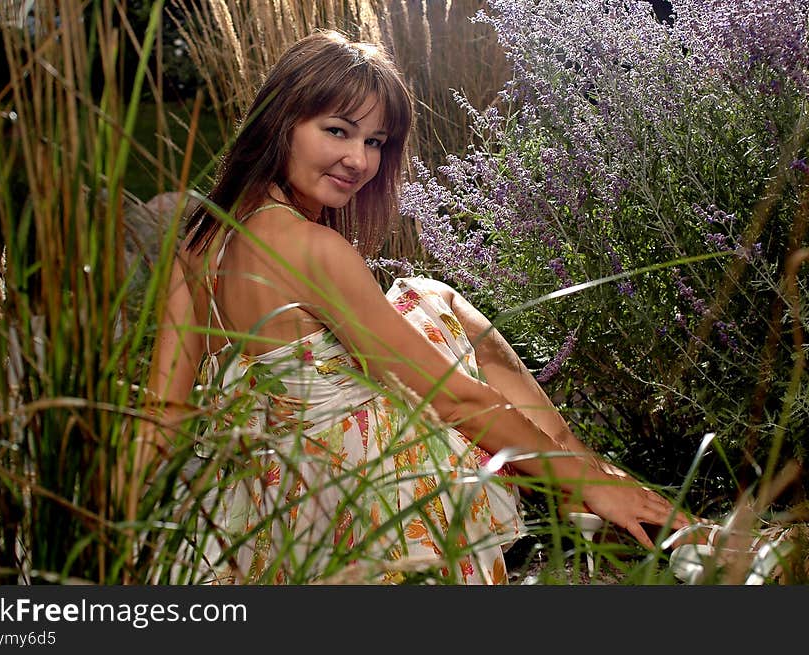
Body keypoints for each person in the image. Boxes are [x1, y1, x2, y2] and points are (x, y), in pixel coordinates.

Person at [133, 30, 692, 585]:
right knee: (433, 300)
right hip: (367, 496)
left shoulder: (199, 244)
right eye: (337, 131)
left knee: (429, 303)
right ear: (281, 123)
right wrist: (584, 479)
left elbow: (164, 416)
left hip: (275, 507)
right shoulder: (315, 249)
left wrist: (118, 540)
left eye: (376, 142)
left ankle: (614, 497)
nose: (359, 160)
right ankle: (607, 496)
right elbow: (450, 397)